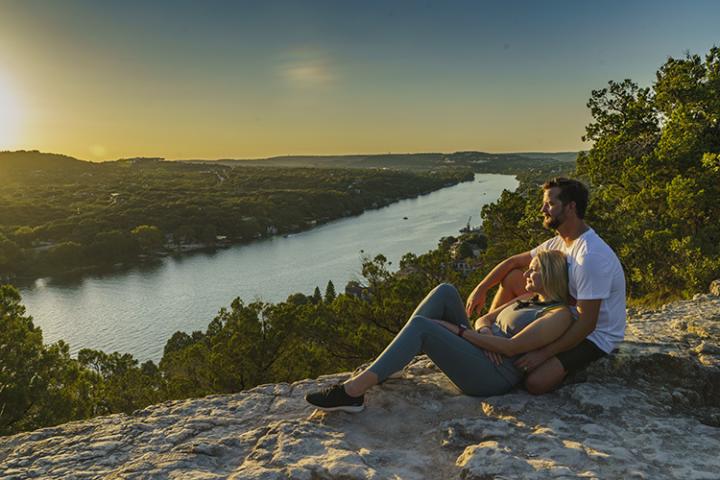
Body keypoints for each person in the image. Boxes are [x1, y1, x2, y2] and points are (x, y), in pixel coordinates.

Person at [305, 250, 572, 412]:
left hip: (493, 374)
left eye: (534, 270)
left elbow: (513, 348)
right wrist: (486, 334)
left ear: (550, 275)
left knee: (423, 327)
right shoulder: (529, 298)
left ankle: (352, 393)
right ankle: (391, 363)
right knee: (445, 290)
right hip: (483, 348)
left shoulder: (557, 315)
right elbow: (484, 320)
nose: (526, 274)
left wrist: (457, 331)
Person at [465, 177, 626, 395]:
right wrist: (481, 289)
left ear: (571, 207)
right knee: (513, 277)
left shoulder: (590, 257)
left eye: (550, 204)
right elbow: (513, 262)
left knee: (536, 383)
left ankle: (512, 353)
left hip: (594, 335)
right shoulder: (560, 241)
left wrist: (544, 354)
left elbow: (587, 323)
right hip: (560, 312)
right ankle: (494, 341)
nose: (543, 209)